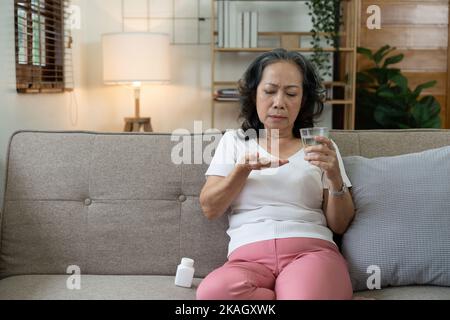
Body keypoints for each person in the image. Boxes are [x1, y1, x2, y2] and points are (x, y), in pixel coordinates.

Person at [197, 48, 355, 300]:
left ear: (303, 100)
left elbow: (340, 224)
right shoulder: (235, 142)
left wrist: (335, 176)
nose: (279, 102)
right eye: (269, 91)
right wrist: (241, 170)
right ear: (254, 94)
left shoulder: (320, 145)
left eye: (291, 93)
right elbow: (210, 209)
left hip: (310, 252)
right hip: (248, 260)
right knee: (211, 294)